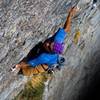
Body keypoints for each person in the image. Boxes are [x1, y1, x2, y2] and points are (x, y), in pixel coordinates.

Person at [12, 6, 79, 72]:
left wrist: (17, 66)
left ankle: (51, 67)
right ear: (55, 42)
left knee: (28, 71)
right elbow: (66, 29)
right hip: (54, 56)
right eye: (50, 42)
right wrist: (70, 14)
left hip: (47, 62)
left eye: (49, 46)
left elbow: (28, 63)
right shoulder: (58, 39)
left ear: (50, 51)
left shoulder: (44, 57)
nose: (47, 43)